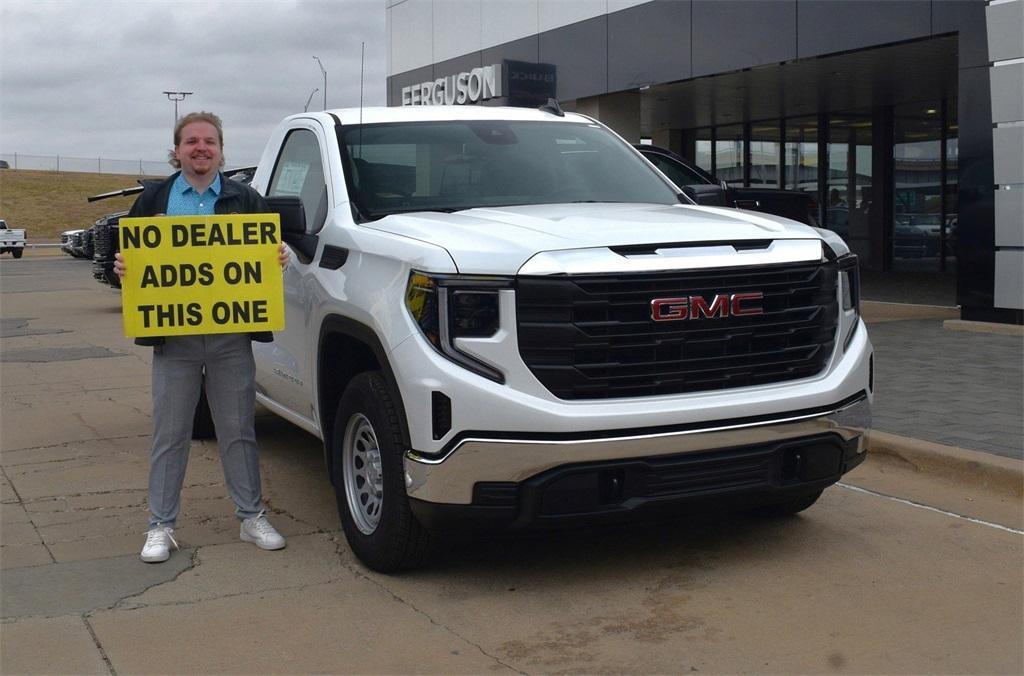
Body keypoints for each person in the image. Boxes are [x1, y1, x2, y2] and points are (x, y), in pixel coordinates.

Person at [115, 111, 289, 563]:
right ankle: (160, 525)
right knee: (170, 434)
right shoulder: (153, 200)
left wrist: (278, 255)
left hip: (232, 336)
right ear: (176, 150)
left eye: (209, 141)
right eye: (191, 141)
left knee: (238, 430)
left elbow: (265, 254)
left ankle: (251, 516)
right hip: (175, 341)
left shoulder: (246, 199)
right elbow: (132, 264)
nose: (200, 148)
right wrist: (124, 270)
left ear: (220, 149)